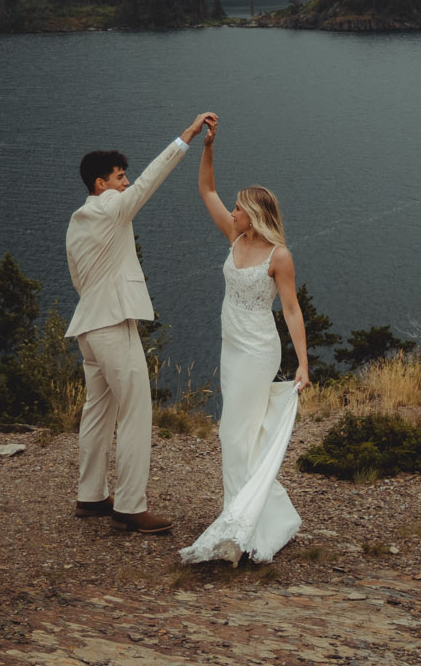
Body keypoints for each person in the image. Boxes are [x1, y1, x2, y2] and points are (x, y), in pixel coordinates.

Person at [65, 112, 216, 534]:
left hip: (88, 328)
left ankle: (90, 495)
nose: (126, 182)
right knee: (135, 412)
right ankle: (130, 505)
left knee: (98, 411)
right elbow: (150, 181)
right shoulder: (112, 207)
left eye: (124, 177)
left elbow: (79, 279)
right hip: (113, 325)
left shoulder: (78, 220)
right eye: (119, 177)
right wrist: (185, 138)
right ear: (101, 185)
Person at [179, 114, 306, 564]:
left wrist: (304, 365)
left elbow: (291, 309)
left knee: (233, 432)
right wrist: (208, 145)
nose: (230, 211)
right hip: (231, 347)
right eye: (233, 208)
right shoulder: (234, 237)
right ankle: (252, 516)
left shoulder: (279, 255)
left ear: (254, 214)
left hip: (258, 350)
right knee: (239, 435)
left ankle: (238, 528)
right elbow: (206, 191)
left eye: (238, 207)